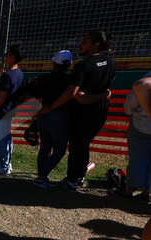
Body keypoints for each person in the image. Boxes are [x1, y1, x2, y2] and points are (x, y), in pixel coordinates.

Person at [45, 31, 116, 192]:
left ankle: (71, 182)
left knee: (77, 147)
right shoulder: (111, 63)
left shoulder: (83, 65)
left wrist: (52, 106)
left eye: (84, 42)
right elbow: (108, 84)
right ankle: (79, 177)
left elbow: (75, 95)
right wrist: (103, 95)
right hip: (100, 112)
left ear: (95, 44)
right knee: (83, 145)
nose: (80, 44)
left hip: (83, 114)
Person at [0, 44, 24, 175]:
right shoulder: (18, 73)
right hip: (10, 111)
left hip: (1, 113)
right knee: (7, 138)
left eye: (7, 55)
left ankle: (4, 165)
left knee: (2, 139)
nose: (5, 57)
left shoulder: (7, 77)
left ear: (12, 57)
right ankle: (7, 163)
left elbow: (1, 98)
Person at [116, 71, 151, 201]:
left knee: (137, 158)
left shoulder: (147, 79)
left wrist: (128, 111)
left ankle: (129, 190)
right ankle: (147, 192)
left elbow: (132, 99)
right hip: (142, 123)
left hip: (140, 124)